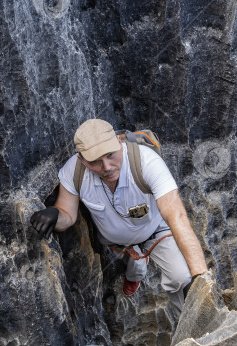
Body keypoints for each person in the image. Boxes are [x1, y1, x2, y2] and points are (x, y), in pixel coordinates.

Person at [30, 119, 207, 313]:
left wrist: (200, 277)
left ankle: (195, 324)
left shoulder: (147, 162)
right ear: (81, 159)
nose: (106, 167)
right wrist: (54, 215)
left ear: (119, 143)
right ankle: (135, 267)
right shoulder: (74, 171)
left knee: (182, 278)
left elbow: (177, 216)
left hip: (154, 229)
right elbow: (68, 215)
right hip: (114, 241)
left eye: (110, 155)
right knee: (134, 265)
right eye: (95, 161)